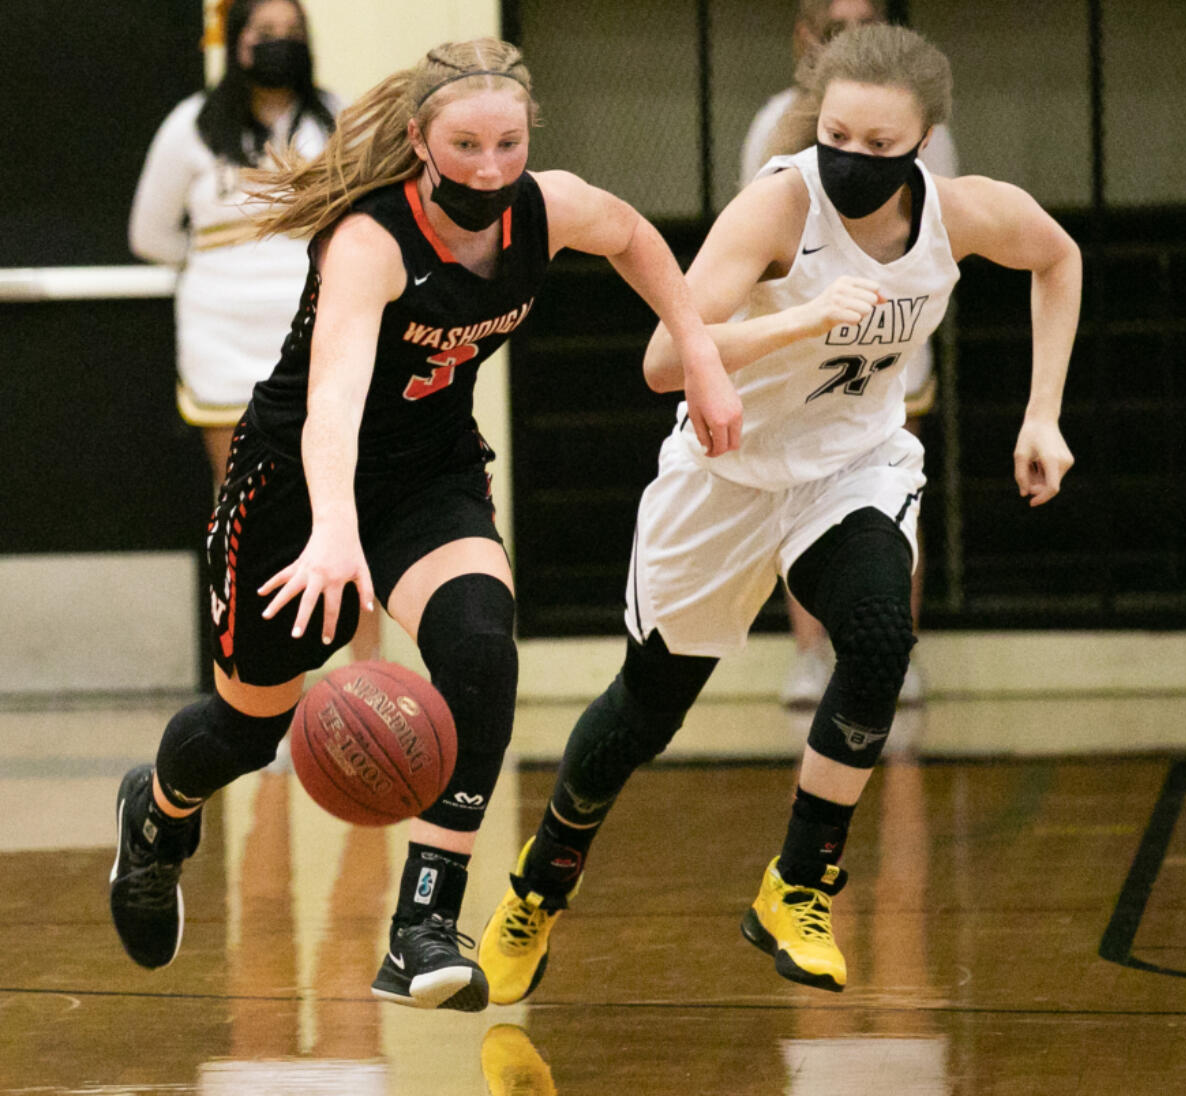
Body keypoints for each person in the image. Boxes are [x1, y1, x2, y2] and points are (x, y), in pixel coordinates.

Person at [108, 37, 741, 1014]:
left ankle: (422, 924)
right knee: (247, 726)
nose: (489, 167)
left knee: (481, 645)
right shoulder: (372, 240)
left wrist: (697, 347)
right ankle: (154, 814)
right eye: (465, 145)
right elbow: (330, 405)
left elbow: (630, 237)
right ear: (418, 140)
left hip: (428, 476)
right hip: (292, 482)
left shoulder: (546, 206)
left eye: (508, 143)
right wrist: (328, 529)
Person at [479, 23, 1078, 1001]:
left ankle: (796, 883)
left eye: (878, 146)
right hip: (726, 473)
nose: (850, 156)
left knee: (881, 638)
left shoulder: (958, 214)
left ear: (922, 143)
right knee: (643, 711)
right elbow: (663, 362)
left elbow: (1057, 260)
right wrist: (796, 315)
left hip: (848, 467)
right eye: (836, 132)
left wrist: (1041, 415)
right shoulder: (775, 209)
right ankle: (537, 889)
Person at [128, 0, 381, 660]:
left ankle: (368, 679)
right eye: (265, 34)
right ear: (235, 43)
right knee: (242, 512)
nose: (279, 44)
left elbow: (377, 219)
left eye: (292, 34)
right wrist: (222, 266)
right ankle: (255, 692)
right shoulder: (190, 126)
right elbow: (149, 235)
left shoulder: (341, 118)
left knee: (348, 500)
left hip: (324, 330)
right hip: (221, 338)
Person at [742, 0, 958, 709]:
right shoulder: (773, 124)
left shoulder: (927, 127)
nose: (851, 38)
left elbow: (943, 237)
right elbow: (750, 249)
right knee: (792, 492)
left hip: (887, 341)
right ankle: (810, 656)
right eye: (837, 26)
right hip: (796, 343)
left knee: (894, 496)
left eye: (865, 22)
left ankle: (893, 651)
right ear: (805, 37)